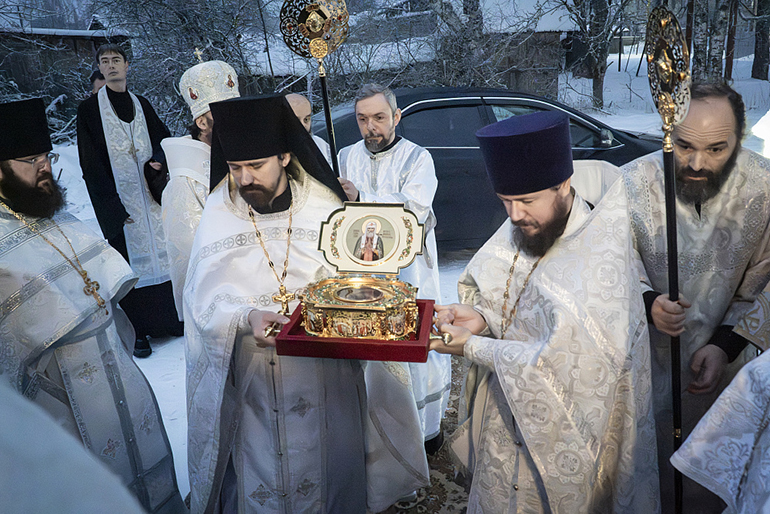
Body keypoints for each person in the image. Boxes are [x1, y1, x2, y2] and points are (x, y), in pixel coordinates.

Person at [184, 95, 429, 513]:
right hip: (254, 384)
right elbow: (199, 302)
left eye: (256, 166)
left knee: (330, 482)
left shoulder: (325, 208)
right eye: (234, 168)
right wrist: (244, 317)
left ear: (284, 156)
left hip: (325, 377)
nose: (244, 180)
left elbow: (362, 284)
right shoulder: (218, 210)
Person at [432, 111, 660, 513]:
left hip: (569, 443)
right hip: (506, 424)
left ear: (564, 184)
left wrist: (474, 348)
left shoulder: (602, 258)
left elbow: (565, 367)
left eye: (526, 201)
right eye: (505, 201)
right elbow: (509, 295)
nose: (515, 215)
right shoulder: (522, 228)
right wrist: (483, 317)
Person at [0, 98, 185, 513]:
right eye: (30, 159)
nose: (44, 167)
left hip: (115, 374)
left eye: (46, 155)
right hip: (57, 397)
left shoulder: (56, 214)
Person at [621, 81, 770, 512]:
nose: (696, 163)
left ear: (740, 139)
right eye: (683, 145)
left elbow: (764, 280)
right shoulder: (631, 184)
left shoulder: (764, 187)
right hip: (647, 360)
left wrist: (727, 345)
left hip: (730, 357)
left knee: (712, 472)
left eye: (717, 149)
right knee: (646, 470)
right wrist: (649, 303)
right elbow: (610, 262)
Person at [338, 83, 451, 452]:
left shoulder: (418, 158)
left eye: (379, 117)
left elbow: (414, 207)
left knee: (411, 339)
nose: (371, 127)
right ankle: (375, 430)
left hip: (411, 270)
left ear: (397, 117)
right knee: (369, 342)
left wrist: (361, 198)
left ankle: (423, 432)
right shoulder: (346, 156)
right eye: (362, 119)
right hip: (362, 269)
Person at [77, 43, 181, 357]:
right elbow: (90, 164)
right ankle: (139, 333)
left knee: (163, 255)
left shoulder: (142, 103)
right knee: (128, 267)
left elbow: (165, 140)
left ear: (126, 65)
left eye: (116, 60)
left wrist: (161, 161)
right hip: (119, 204)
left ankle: (170, 321)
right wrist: (112, 208)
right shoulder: (89, 110)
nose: (111, 66)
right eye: (104, 61)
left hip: (150, 198)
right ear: (100, 67)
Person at [160, 59, 240, 320]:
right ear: (202, 122)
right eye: (223, 114)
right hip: (220, 303)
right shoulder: (185, 182)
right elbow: (195, 257)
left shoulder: (241, 159)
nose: (234, 121)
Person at [285, 92, 332, 165]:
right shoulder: (273, 153)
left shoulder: (320, 145)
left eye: (306, 119)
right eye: (295, 120)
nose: (303, 125)